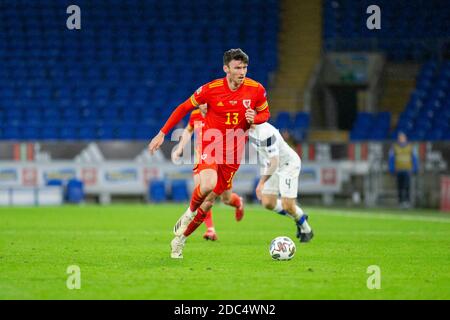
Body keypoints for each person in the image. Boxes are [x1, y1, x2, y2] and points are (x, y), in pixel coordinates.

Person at [148, 48, 270, 258]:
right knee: (206, 185)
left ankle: (180, 240)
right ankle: (187, 214)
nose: (242, 72)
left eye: (245, 67)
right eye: (237, 68)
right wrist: (162, 133)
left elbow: (265, 113)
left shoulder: (256, 89)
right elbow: (183, 107)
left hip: (233, 155)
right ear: (226, 69)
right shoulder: (210, 89)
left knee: (211, 201)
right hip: (210, 146)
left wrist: (255, 118)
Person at [171, 103, 244, 241]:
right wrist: (180, 148)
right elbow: (188, 130)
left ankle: (238, 202)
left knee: (226, 199)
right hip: (203, 159)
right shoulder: (195, 115)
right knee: (204, 193)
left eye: (207, 104)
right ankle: (210, 229)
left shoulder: (219, 114)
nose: (204, 107)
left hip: (222, 161)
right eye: (202, 104)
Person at [249, 122, 313, 242]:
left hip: (287, 164)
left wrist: (261, 182)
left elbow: (275, 161)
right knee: (268, 202)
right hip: (271, 164)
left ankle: (307, 229)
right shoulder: (248, 130)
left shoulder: (266, 132)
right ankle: (300, 216)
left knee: (287, 206)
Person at [389, 131, 419, 209]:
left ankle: (407, 202)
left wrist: (415, 168)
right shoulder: (394, 147)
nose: (401, 139)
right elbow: (391, 159)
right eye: (400, 138)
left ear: (405, 138)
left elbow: (415, 158)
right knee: (400, 187)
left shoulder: (410, 147)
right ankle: (400, 202)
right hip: (398, 170)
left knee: (407, 186)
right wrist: (392, 169)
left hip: (407, 170)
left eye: (402, 137)